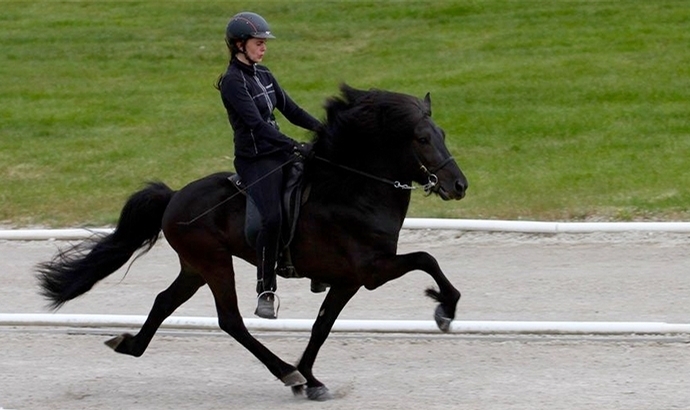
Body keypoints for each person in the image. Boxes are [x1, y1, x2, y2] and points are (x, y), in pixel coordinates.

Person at [216, 11, 321, 319]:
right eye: (258, 43)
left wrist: (327, 131)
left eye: (264, 43)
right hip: (255, 159)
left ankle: (319, 267)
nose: (263, 49)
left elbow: (292, 110)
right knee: (272, 218)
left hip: (278, 151)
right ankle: (266, 288)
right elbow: (257, 125)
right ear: (239, 45)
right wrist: (294, 145)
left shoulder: (264, 75)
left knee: (320, 189)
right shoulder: (232, 83)